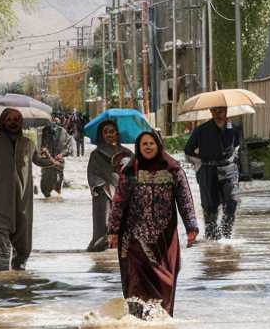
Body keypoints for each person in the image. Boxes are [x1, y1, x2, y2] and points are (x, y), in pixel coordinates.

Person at [107, 130, 199, 317]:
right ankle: (136, 321)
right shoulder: (130, 172)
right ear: (138, 148)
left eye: (151, 143)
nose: (148, 147)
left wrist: (191, 226)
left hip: (164, 238)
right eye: (144, 144)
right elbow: (118, 202)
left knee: (165, 280)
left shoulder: (173, 170)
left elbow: (185, 199)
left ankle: (161, 320)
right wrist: (113, 231)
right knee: (136, 279)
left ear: (158, 146)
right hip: (133, 237)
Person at [0, 108, 54, 270]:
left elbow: (39, 161)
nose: (13, 123)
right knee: (0, 244)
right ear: (2, 123)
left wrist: (50, 159)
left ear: (21, 123)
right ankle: (1, 280)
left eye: (16, 119)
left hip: (23, 202)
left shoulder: (28, 145)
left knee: (23, 245)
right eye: (9, 119)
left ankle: (18, 275)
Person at [183, 105, 243, 239]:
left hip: (228, 170)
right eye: (214, 110)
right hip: (208, 170)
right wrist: (201, 160)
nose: (218, 113)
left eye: (221, 110)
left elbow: (237, 147)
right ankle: (212, 239)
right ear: (210, 111)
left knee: (232, 202)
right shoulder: (201, 130)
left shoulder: (233, 128)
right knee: (210, 208)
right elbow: (188, 150)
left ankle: (226, 236)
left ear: (227, 110)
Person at [87, 122, 131, 251]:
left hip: (122, 191)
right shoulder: (96, 154)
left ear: (116, 133)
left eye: (111, 131)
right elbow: (92, 174)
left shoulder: (127, 153)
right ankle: (99, 247)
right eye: (105, 132)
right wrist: (100, 185)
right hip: (103, 193)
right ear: (102, 135)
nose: (109, 135)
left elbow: (135, 172)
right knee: (104, 224)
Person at [38, 118, 69, 197]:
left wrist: (61, 154)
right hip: (47, 162)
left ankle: (56, 199)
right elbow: (40, 146)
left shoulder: (63, 132)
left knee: (58, 183)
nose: (54, 122)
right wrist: (45, 152)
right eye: (53, 120)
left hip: (59, 163)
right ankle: (46, 197)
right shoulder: (43, 131)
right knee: (46, 184)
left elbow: (68, 148)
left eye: (56, 121)